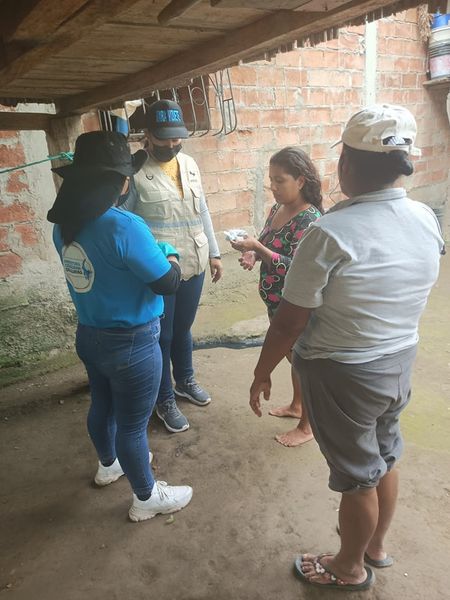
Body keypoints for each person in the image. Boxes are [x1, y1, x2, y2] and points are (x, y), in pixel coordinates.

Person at [248, 104, 444, 591]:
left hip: (343, 371)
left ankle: (348, 567)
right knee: (384, 457)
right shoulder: (425, 217)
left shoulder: (329, 232)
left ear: (346, 164)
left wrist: (262, 371)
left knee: (357, 476)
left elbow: (290, 321)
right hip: (399, 359)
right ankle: (375, 546)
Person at [48, 131, 193, 522]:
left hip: (90, 335)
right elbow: (167, 282)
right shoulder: (123, 225)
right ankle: (146, 498)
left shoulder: (63, 226)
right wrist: (170, 253)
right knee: (133, 426)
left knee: (103, 406)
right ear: (121, 182)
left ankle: (108, 465)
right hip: (132, 344)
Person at [129, 99, 223, 434]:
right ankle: (163, 398)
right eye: (164, 138)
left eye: (177, 137)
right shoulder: (133, 171)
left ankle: (184, 380)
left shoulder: (190, 164)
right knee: (162, 335)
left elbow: (203, 210)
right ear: (148, 134)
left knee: (183, 328)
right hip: (159, 268)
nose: (172, 144)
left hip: (194, 260)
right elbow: (125, 221)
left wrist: (215, 253)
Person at [230, 147, 322, 446]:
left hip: (296, 307)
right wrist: (253, 254)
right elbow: (268, 242)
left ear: (301, 180)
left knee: (304, 363)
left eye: (280, 180)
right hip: (276, 305)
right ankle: (297, 405)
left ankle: (307, 426)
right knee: (293, 357)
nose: (273, 187)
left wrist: (258, 248)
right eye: (271, 180)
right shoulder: (277, 209)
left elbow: (296, 266)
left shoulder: (310, 220)